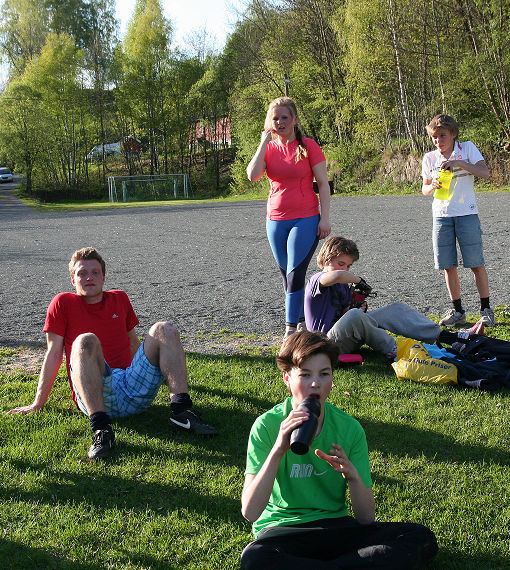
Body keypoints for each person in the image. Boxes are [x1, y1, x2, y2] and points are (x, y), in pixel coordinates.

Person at [241, 331, 438, 568]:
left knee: (419, 537)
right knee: (255, 559)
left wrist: (353, 476)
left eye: (324, 374)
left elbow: (366, 518)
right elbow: (250, 512)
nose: (316, 383)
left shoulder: (349, 428)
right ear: (287, 378)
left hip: (336, 527)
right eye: (305, 375)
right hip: (283, 533)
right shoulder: (267, 426)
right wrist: (278, 450)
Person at [8, 247, 217, 459]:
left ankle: (181, 411)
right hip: (96, 393)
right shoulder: (62, 303)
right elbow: (53, 354)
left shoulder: (119, 298)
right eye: (82, 273)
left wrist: (157, 376)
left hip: (130, 387)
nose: (89, 277)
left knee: (164, 329)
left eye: (95, 272)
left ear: (104, 277)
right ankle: (102, 430)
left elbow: (134, 344)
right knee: (84, 340)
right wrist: (37, 403)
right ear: (73, 280)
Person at [304, 236, 477, 361]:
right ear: (326, 260)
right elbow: (334, 276)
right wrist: (359, 282)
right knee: (355, 316)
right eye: (341, 264)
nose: (346, 269)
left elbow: (344, 315)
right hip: (326, 345)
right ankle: (394, 350)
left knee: (395, 309)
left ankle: (446, 337)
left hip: (345, 339)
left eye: (349, 265)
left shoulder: (343, 285)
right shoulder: (317, 280)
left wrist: (356, 308)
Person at [246, 96, 331, 339]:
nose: (280, 122)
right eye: (276, 118)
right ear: (269, 122)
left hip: (305, 218)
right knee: (288, 277)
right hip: (275, 220)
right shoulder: (269, 148)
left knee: (295, 273)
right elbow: (252, 176)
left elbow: (323, 184)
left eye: (285, 117)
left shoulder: (309, 146)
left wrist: (324, 218)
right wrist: (263, 142)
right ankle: (306, 323)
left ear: (294, 119)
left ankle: (290, 332)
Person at [421, 113, 495, 327]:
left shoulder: (468, 148)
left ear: (453, 134)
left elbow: (485, 172)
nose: (438, 141)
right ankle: (458, 310)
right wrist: (431, 186)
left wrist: (460, 163)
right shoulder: (430, 158)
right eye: (434, 137)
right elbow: (424, 189)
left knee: (476, 263)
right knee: (448, 265)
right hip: (441, 216)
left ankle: (486, 309)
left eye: (442, 136)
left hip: (467, 213)